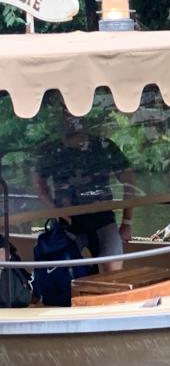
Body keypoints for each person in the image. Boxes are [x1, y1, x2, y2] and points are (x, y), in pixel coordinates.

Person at [34, 115, 135, 273]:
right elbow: (39, 185)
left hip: (103, 218)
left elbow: (129, 180)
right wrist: (55, 209)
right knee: (65, 271)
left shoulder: (103, 146)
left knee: (114, 269)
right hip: (67, 222)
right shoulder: (52, 150)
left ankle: (111, 295)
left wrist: (127, 222)